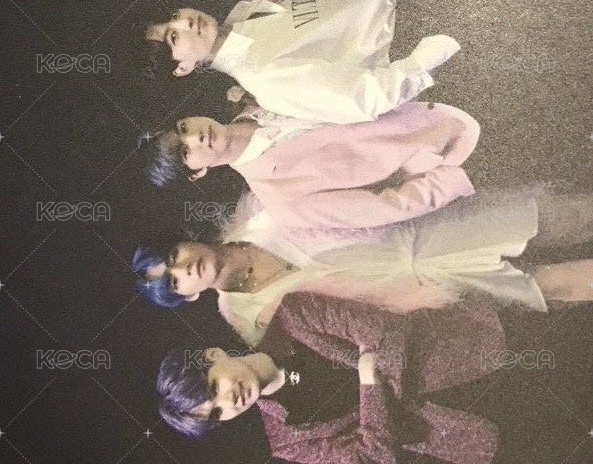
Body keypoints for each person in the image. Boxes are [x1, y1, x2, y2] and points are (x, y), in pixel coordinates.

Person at [133, 188, 593, 348]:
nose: (185, 267)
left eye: (174, 255)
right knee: (544, 287)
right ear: (186, 296)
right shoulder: (247, 319)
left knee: (550, 216)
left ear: (183, 240)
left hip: (420, 226)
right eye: (174, 281)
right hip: (422, 297)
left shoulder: (259, 208)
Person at [155, 291, 503, 464]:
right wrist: (369, 382)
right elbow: (372, 459)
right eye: (217, 413)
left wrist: (377, 420)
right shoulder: (288, 442)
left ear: (214, 355)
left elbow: (385, 329)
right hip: (469, 429)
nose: (228, 402)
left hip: (471, 346)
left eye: (214, 387)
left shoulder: (293, 315)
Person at [143, 0, 460, 122]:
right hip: (424, 37)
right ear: (183, 67)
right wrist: (436, 49)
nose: (185, 22)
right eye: (173, 37)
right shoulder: (263, 78)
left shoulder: (244, 10)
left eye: (175, 15)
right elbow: (366, 99)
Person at [143, 96, 479, 229]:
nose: (196, 136)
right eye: (186, 152)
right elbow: (387, 208)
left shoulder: (263, 92)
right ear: (197, 172)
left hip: (439, 82)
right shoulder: (282, 201)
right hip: (460, 148)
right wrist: (457, 175)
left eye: (183, 128)